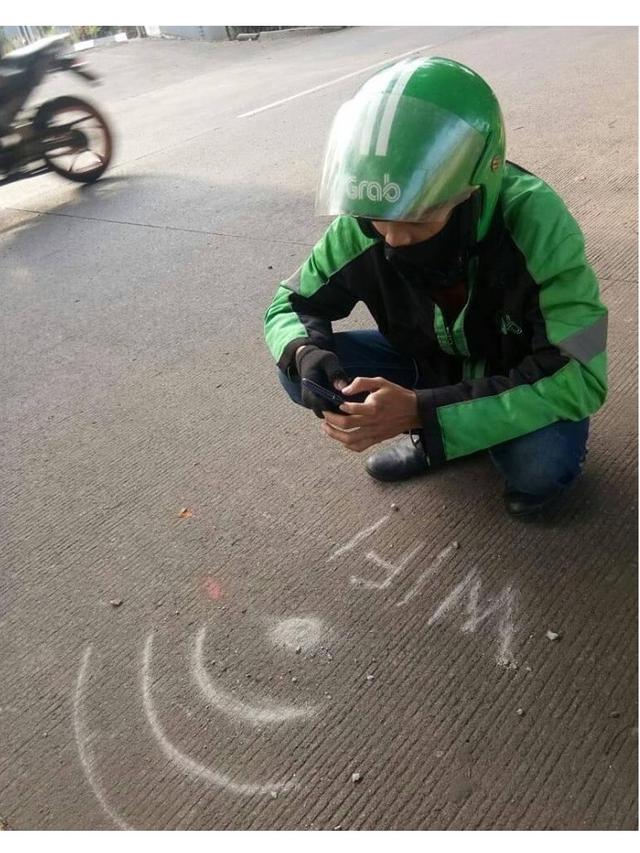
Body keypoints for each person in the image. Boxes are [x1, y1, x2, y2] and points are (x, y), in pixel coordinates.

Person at [264, 56, 607, 519]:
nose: (394, 240)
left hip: (518, 371)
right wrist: (308, 355)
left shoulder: (541, 224)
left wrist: (421, 414)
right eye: (379, 220)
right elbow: (290, 302)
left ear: (476, 188)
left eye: (421, 217)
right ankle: (450, 432)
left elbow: (583, 371)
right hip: (429, 363)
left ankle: (446, 433)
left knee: (539, 469)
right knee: (295, 372)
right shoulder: (363, 225)